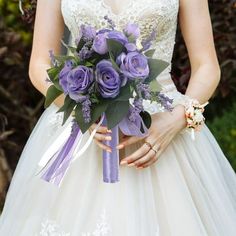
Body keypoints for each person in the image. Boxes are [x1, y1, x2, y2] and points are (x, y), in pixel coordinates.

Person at [0, 0, 236, 235]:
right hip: (83, 132)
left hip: (162, 130)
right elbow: (39, 64)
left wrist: (176, 120)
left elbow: (207, 66)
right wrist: (80, 108)